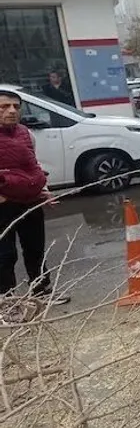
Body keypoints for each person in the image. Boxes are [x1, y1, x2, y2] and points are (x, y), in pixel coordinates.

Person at [0, 90, 70, 304]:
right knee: (5, 254)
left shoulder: (25, 133)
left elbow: (32, 165)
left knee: (35, 249)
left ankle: (41, 291)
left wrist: (43, 190)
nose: (12, 111)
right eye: (4, 107)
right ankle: (7, 302)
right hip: (3, 205)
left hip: (30, 201)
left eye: (16, 107)